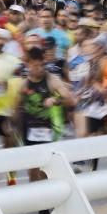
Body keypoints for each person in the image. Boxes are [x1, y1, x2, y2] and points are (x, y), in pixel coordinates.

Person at [16, 47, 74, 184]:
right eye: (35, 65)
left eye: (42, 64)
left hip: (49, 127)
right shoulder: (23, 84)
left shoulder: (52, 80)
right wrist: (12, 125)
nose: (40, 68)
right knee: (32, 169)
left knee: (45, 166)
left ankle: (47, 199)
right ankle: (37, 201)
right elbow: (16, 107)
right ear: (28, 65)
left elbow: (71, 100)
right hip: (28, 128)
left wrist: (56, 100)